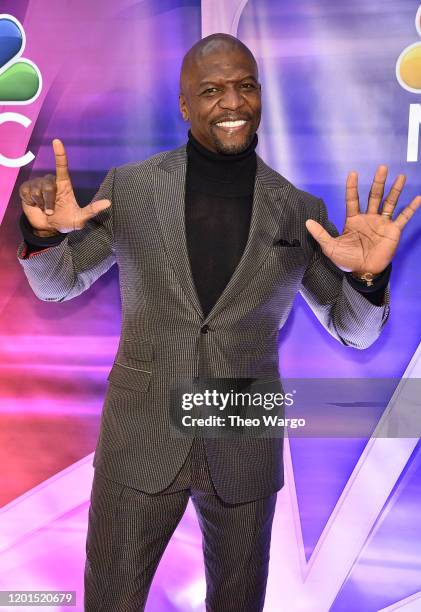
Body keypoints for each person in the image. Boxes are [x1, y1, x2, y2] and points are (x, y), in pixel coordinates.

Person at [17, 33, 420, 612]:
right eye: (212, 90)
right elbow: (60, 284)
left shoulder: (299, 210)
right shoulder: (130, 189)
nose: (232, 103)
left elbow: (352, 329)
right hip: (141, 438)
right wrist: (43, 237)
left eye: (245, 86)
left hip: (243, 442)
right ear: (185, 105)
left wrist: (367, 280)